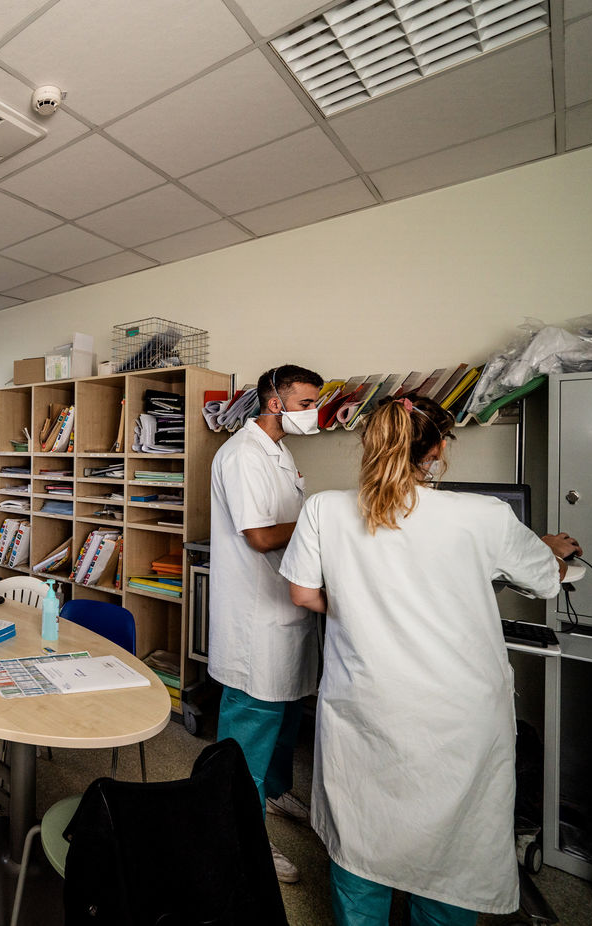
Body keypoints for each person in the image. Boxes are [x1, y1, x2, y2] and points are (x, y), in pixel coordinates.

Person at [279, 395, 579, 924]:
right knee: (453, 851)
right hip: (456, 715)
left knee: (362, 830)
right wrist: (554, 552)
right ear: (438, 449)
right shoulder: (485, 515)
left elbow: (304, 594)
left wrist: (358, 602)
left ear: (370, 441)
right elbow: (545, 581)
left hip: (365, 702)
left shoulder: (324, 508)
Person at [207, 363, 325, 883]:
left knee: (285, 715)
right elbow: (258, 536)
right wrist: (324, 522)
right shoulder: (241, 455)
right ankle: (238, 837)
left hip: (286, 608)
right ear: (275, 403)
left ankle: (273, 793)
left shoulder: (279, 451)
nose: (313, 414)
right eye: (306, 404)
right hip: (253, 618)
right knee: (251, 728)